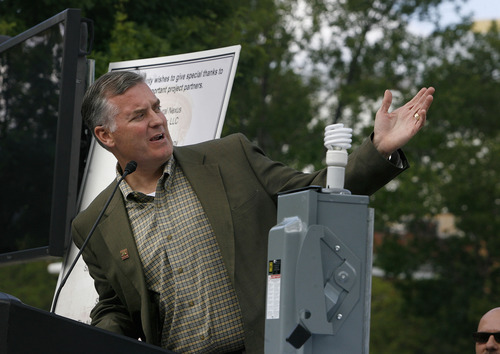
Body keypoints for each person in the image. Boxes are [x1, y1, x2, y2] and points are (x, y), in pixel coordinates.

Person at [72, 70, 435, 354]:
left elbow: (319, 194)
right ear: (106, 135)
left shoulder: (230, 157)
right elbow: (116, 307)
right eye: (139, 115)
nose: (157, 120)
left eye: (157, 108)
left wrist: (378, 148)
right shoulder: (94, 224)